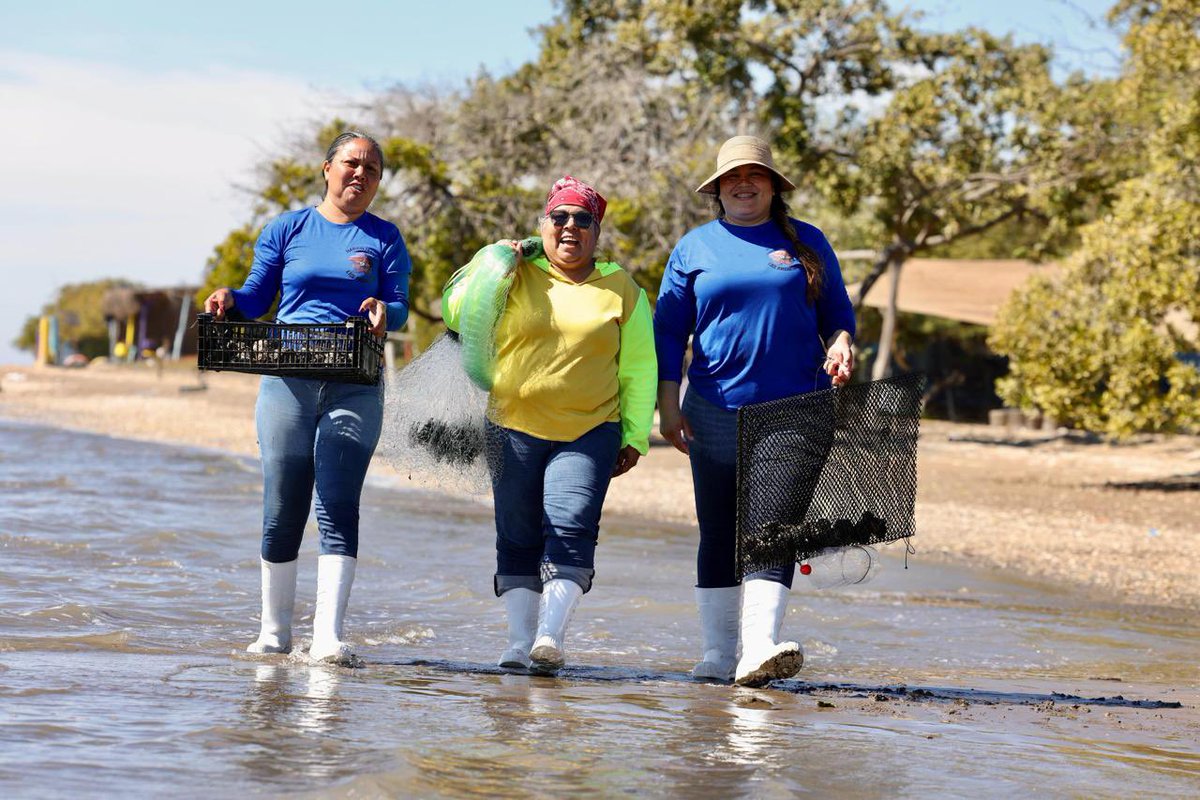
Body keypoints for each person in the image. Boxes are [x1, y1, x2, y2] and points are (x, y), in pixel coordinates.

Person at [654, 135, 856, 687]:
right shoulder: (694, 248)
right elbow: (669, 331)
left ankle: (759, 648)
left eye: (756, 175)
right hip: (712, 408)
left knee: (773, 526)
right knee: (718, 532)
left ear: (773, 185)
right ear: (718, 189)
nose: (744, 184)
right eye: (732, 177)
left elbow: (838, 313)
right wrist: (667, 406)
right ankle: (719, 655)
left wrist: (841, 343)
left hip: (795, 409)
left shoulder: (807, 243)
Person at [204, 131, 411, 665]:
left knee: (338, 503)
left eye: (371, 168)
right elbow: (256, 295)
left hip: (355, 380)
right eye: (351, 163)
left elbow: (400, 304)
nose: (360, 174)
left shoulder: (385, 237)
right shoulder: (287, 228)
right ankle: (274, 634)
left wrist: (386, 312)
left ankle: (327, 638)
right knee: (282, 505)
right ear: (327, 168)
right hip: (287, 377)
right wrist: (231, 299)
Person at [442, 176, 656, 673]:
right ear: (544, 224)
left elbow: (640, 367)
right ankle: (518, 643)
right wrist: (490, 258)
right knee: (516, 536)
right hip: (511, 425)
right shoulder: (515, 272)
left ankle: (549, 637)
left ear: (596, 232)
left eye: (583, 220)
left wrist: (635, 434)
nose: (570, 228)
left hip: (589, 429)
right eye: (559, 218)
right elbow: (456, 311)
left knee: (571, 527)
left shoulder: (621, 287)